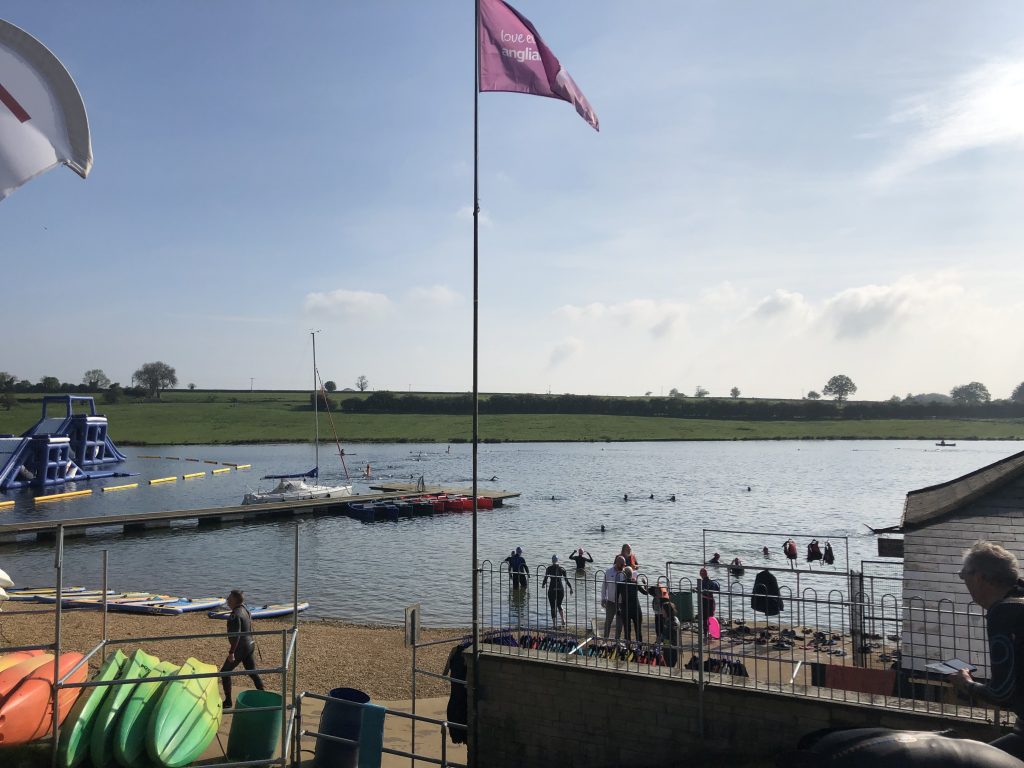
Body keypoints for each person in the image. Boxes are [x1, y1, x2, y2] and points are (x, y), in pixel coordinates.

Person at [951, 541, 1024, 759]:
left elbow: (1002, 692)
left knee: (967, 762)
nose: (964, 582)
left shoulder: (1004, 612)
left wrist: (967, 684)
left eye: (963, 575)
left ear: (979, 578)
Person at [220, 589, 264, 708]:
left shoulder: (236, 614)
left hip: (241, 648)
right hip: (250, 645)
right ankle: (263, 694)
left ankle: (228, 701)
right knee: (252, 671)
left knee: (224, 672)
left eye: (229, 598)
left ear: (234, 600)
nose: (227, 600)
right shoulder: (245, 609)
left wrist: (231, 652)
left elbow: (237, 635)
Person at [543, 555, 573, 626]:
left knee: (552, 606)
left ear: (552, 560)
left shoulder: (549, 568)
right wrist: (570, 587)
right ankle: (563, 620)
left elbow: (545, 578)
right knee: (559, 604)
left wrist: (543, 584)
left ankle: (554, 624)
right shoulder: (562, 569)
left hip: (552, 589)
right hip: (560, 589)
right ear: (557, 560)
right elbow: (566, 580)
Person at [601, 555, 626, 639]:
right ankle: (605, 639)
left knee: (619, 624)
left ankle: (617, 641)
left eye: (624, 564)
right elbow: (604, 586)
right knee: (608, 622)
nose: (623, 566)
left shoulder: (625, 572)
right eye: (622, 564)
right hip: (610, 601)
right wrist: (603, 598)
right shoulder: (608, 572)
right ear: (617, 563)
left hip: (621, 603)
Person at [618, 566, 643, 642]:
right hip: (636, 609)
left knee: (627, 630)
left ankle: (627, 648)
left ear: (623, 574)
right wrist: (645, 583)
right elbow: (645, 592)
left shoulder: (620, 584)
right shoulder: (635, 583)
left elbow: (616, 597)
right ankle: (639, 648)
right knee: (638, 630)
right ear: (632, 574)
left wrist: (617, 608)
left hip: (626, 609)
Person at [698, 568, 719, 638]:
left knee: (706, 618)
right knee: (709, 617)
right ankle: (708, 632)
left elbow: (715, 588)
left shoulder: (705, 582)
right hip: (708, 601)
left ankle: (706, 633)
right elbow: (717, 588)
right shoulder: (709, 581)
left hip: (706, 601)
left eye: (701, 573)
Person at [659, 601, 681, 667]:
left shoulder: (673, 623)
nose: (661, 611)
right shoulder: (668, 620)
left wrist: (662, 641)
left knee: (669, 667)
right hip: (667, 649)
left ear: (666, 611)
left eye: (662, 610)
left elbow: (673, 641)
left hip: (671, 651)